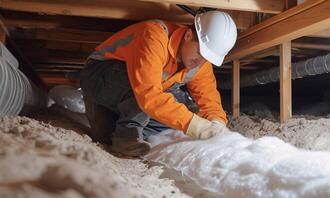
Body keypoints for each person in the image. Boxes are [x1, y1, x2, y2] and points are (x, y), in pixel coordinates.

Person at [80, 11, 237, 157]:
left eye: (207, 57)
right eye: (201, 52)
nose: (201, 61)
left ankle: (119, 124)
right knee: (158, 101)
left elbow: (209, 99)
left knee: (185, 112)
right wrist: (196, 126)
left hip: (141, 90)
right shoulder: (153, 35)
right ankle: (126, 135)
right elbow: (149, 94)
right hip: (100, 75)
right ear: (188, 35)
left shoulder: (201, 63)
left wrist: (217, 123)